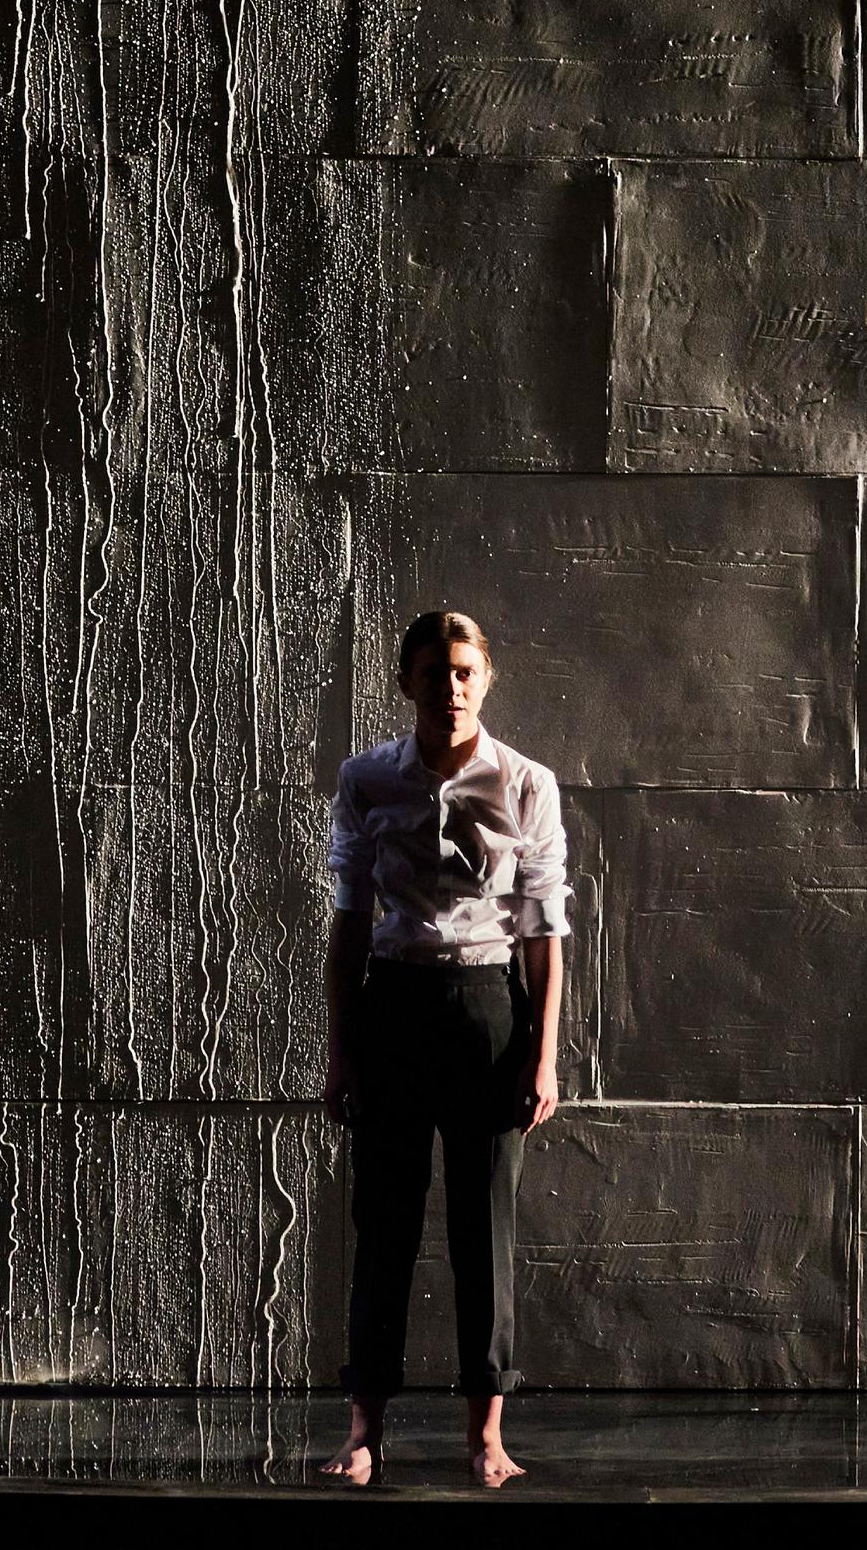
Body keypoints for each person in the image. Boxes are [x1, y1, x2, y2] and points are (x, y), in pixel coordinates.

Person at [317, 609, 568, 1489]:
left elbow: (544, 931)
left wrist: (542, 1057)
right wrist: (340, 1052)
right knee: (382, 1226)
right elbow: (348, 924)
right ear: (406, 682)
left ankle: (486, 1437)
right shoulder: (366, 780)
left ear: (487, 679)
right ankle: (362, 1432)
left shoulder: (527, 783)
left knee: (483, 1230)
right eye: (433, 672)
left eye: (465, 672)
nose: (450, 688)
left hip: (487, 1007)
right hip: (394, 1003)